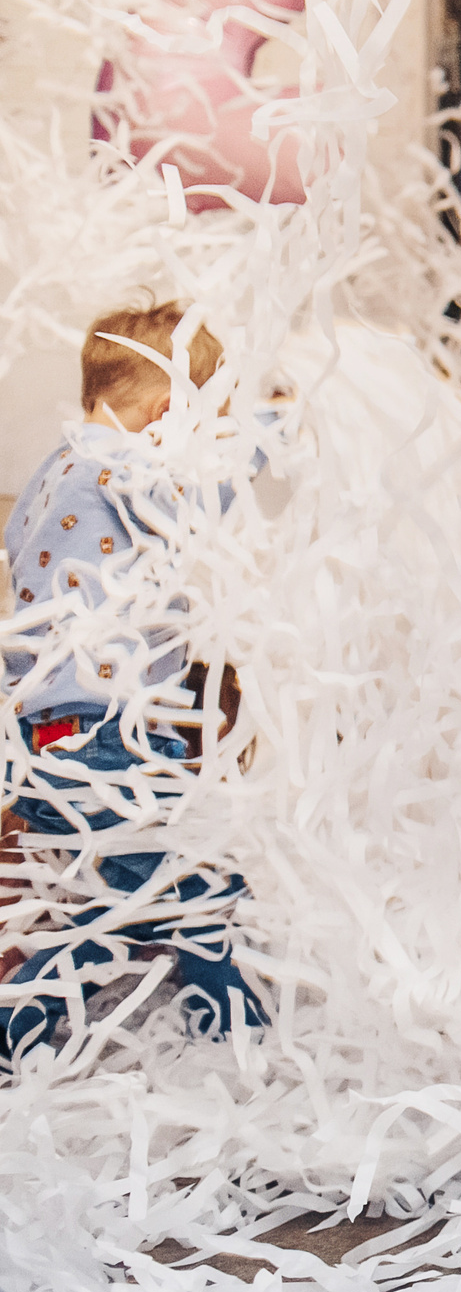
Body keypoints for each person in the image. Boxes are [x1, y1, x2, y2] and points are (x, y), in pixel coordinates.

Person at [0, 302, 270, 1060]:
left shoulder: (53, 473)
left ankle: (25, 1006)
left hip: (48, 742)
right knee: (198, 880)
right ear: (165, 416)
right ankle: (239, 1038)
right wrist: (262, 442)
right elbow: (203, 504)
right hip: (101, 738)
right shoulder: (122, 468)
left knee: (136, 906)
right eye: (205, 425)